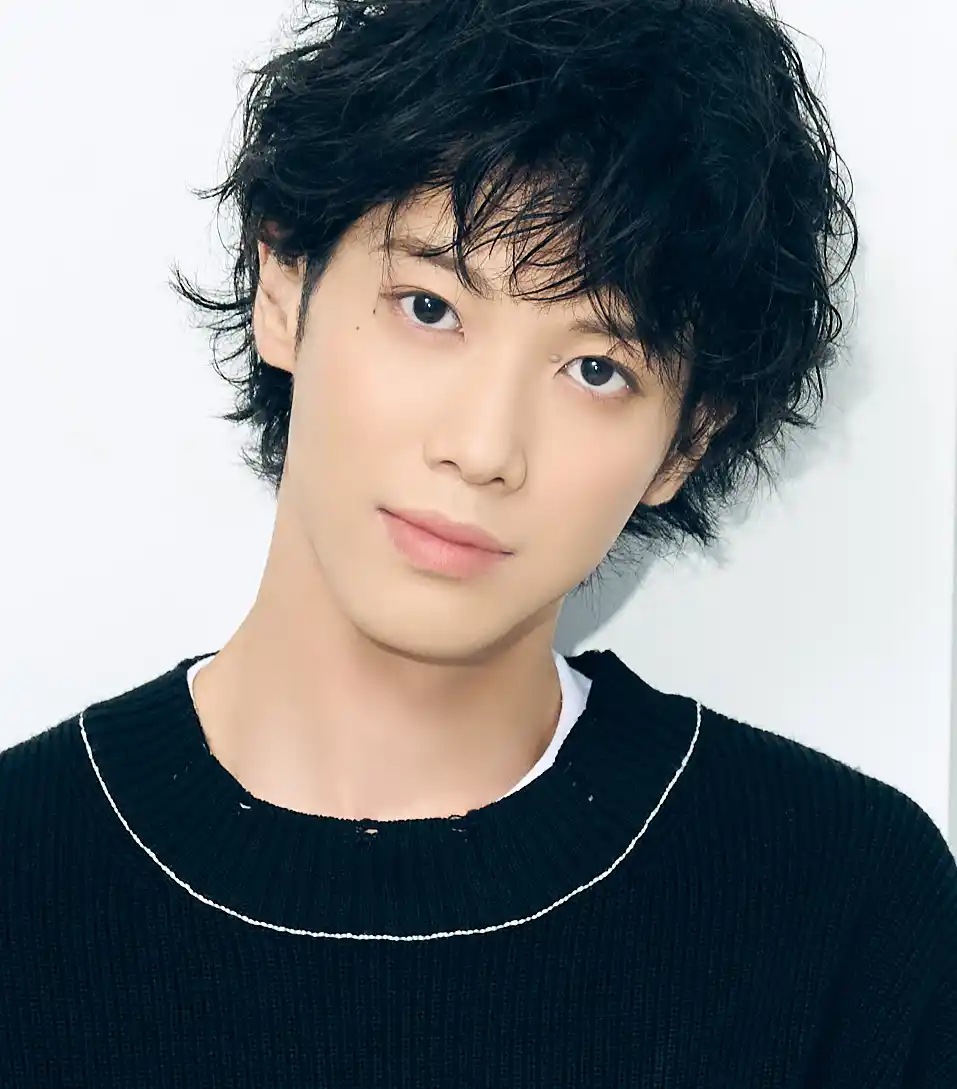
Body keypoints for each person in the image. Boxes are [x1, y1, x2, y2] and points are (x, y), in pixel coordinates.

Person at [2, 0, 955, 1083]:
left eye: (596, 369)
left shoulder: (842, 909)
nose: (483, 447)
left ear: (685, 442)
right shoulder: (22, 879)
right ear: (284, 286)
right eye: (429, 308)